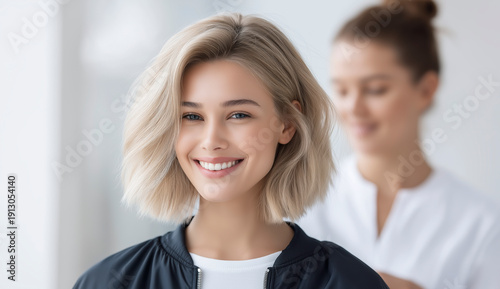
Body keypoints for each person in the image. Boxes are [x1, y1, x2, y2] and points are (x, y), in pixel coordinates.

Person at [72, 13, 389, 289]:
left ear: (287, 124)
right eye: (191, 116)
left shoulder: (350, 282)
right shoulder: (107, 282)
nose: (211, 141)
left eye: (239, 115)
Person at [298, 1, 500, 289]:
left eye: (375, 89)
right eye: (341, 90)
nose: (353, 107)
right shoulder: (304, 202)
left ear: (426, 90)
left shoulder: (482, 225)